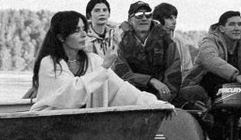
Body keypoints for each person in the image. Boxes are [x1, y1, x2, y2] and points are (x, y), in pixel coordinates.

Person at [31, 10, 166, 110]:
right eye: (77, 30)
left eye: (84, 29)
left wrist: (155, 104)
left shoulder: (93, 60)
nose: (84, 34)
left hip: (83, 127)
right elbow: (69, 96)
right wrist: (104, 68)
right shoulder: (49, 63)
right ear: (61, 37)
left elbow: (121, 89)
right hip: (52, 126)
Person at [118, 1, 207, 112]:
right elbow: (123, 75)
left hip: (165, 96)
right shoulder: (121, 43)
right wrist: (151, 81)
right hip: (134, 97)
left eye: (148, 15)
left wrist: (165, 98)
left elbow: (174, 71)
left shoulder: (167, 41)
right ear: (130, 20)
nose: (144, 18)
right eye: (139, 15)